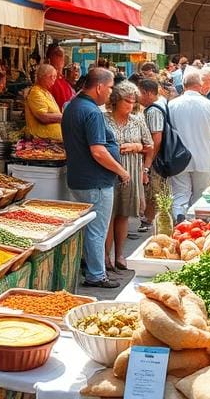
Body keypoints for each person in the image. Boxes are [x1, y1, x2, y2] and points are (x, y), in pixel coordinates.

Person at [62, 67, 129, 289]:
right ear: (99, 87)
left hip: (79, 177)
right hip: (95, 181)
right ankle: (96, 275)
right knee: (96, 230)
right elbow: (98, 151)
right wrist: (121, 170)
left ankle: (90, 267)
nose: (111, 93)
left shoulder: (73, 106)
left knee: (88, 229)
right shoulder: (91, 112)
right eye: (110, 88)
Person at [104, 81, 153, 270]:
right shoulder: (104, 119)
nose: (130, 105)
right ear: (116, 100)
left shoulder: (137, 120)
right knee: (109, 215)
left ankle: (120, 254)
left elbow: (149, 146)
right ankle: (105, 256)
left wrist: (136, 147)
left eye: (133, 102)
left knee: (123, 215)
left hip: (131, 171)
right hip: (109, 172)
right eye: (127, 101)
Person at [168, 67, 210, 221]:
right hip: (204, 158)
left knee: (180, 195)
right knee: (202, 196)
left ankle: (180, 222)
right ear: (199, 85)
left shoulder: (172, 105)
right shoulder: (208, 105)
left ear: (183, 85)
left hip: (178, 158)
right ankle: (197, 225)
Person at [138, 78, 165, 231]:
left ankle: (149, 220)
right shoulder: (159, 105)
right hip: (154, 157)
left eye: (139, 93)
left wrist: (148, 164)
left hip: (155, 159)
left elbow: (156, 139)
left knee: (153, 190)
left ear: (147, 93)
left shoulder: (153, 110)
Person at [24, 64, 63, 141]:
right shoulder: (36, 92)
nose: (54, 79)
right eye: (52, 76)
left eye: (55, 76)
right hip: (42, 140)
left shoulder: (46, 92)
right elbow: (43, 117)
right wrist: (64, 117)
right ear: (42, 76)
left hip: (51, 141)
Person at [45, 44, 76, 110]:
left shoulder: (62, 79)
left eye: (62, 57)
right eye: (59, 56)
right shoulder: (50, 80)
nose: (62, 60)